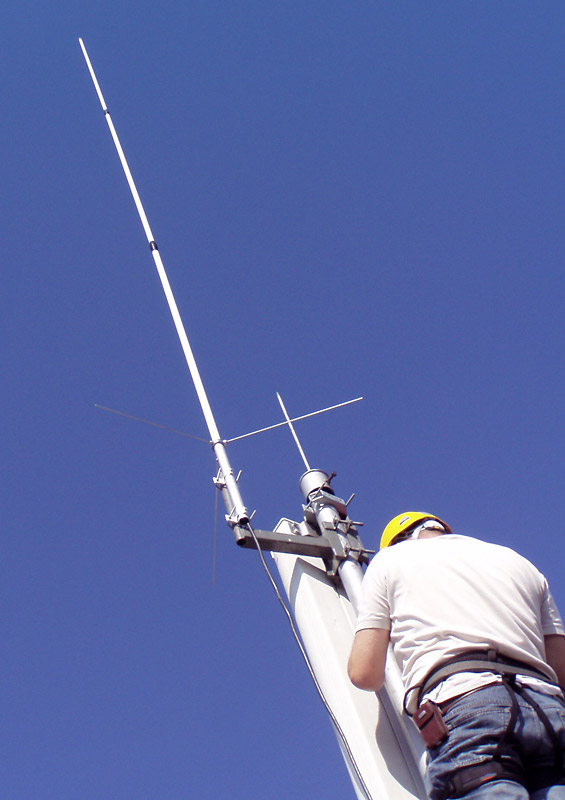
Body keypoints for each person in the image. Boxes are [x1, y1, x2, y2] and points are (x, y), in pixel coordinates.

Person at [347, 512, 565, 800]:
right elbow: (560, 669)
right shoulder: (518, 562)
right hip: (548, 708)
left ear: (396, 542)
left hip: (465, 702)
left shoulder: (389, 560)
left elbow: (364, 673)